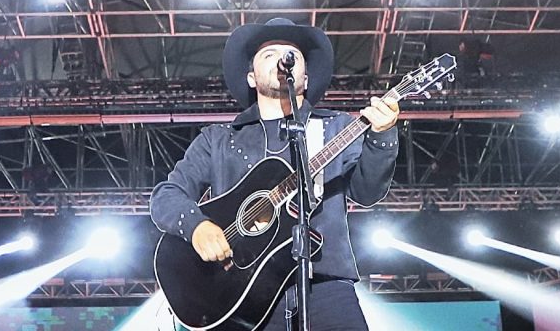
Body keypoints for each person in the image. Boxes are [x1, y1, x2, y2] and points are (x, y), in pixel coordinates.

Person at [151, 18, 402, 330]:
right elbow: (166, 196)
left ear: (306, 78)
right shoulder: (217, 140)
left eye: (291, 54)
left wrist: (382, 136)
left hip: (324, 288)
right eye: (269, 55)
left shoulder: (335, 129)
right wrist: (197, 227)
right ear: (252, 78)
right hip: (236, 294)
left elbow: (368, 192)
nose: (283, 59)